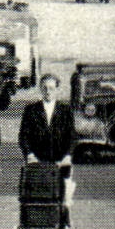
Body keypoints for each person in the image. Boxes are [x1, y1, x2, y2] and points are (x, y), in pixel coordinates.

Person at [18, 73, 76, 204]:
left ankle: (63, 221)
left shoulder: (66, 110)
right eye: (45, 88)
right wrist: (30, 154)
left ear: (57, 89)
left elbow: (72, 136)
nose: (48, 91)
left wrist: (68, 155)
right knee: (38, 198)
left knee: (63, 199)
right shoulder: (31, 110)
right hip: (38, 162)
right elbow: (23, 136)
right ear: (40, 89)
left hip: (60, 162)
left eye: (51, 88)